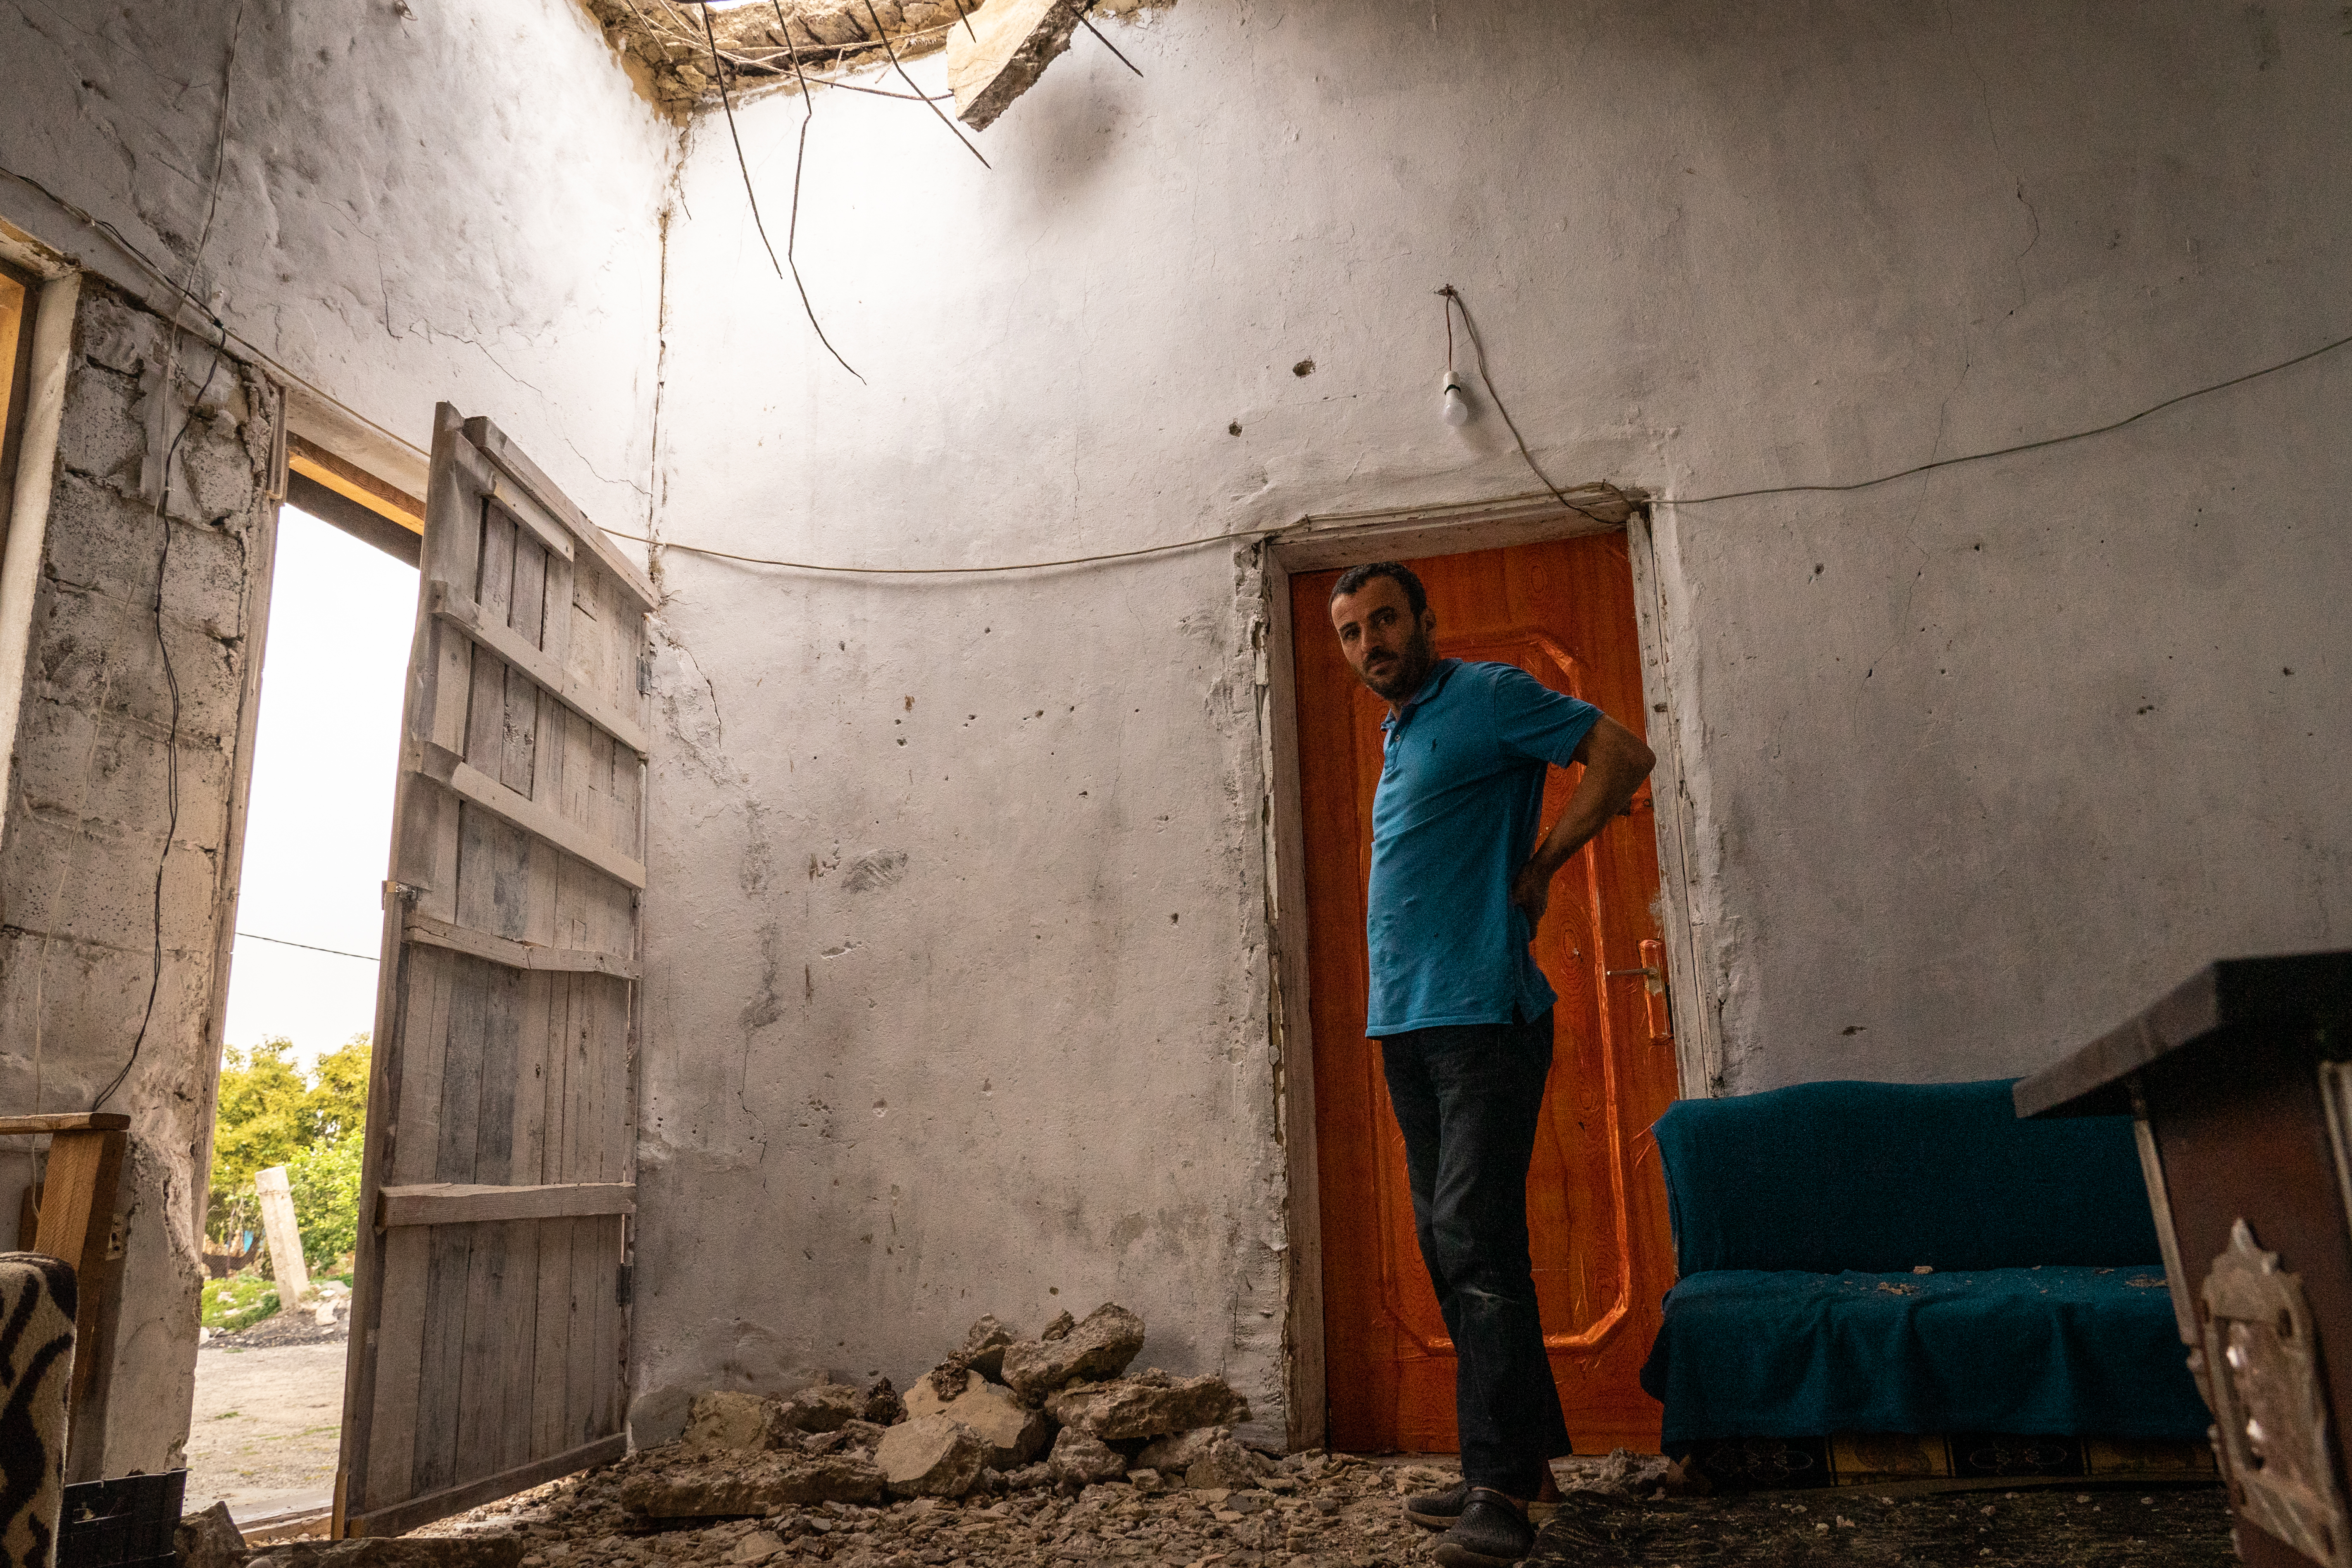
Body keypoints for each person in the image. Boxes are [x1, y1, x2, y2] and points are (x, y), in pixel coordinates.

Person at [1325, 561, 1656, 1568]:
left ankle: (1500, 1485)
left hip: (1484, 1015)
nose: (1369, 640)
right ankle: (1526, 1465)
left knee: (1473, 1235)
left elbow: (1620, 755)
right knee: (1452, 1241)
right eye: (1349, 631)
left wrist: (1545, 861)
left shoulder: (1489, 695)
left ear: (1423, 618)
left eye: (1384, 618)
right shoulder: (1405, 724)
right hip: (1410, 1021)